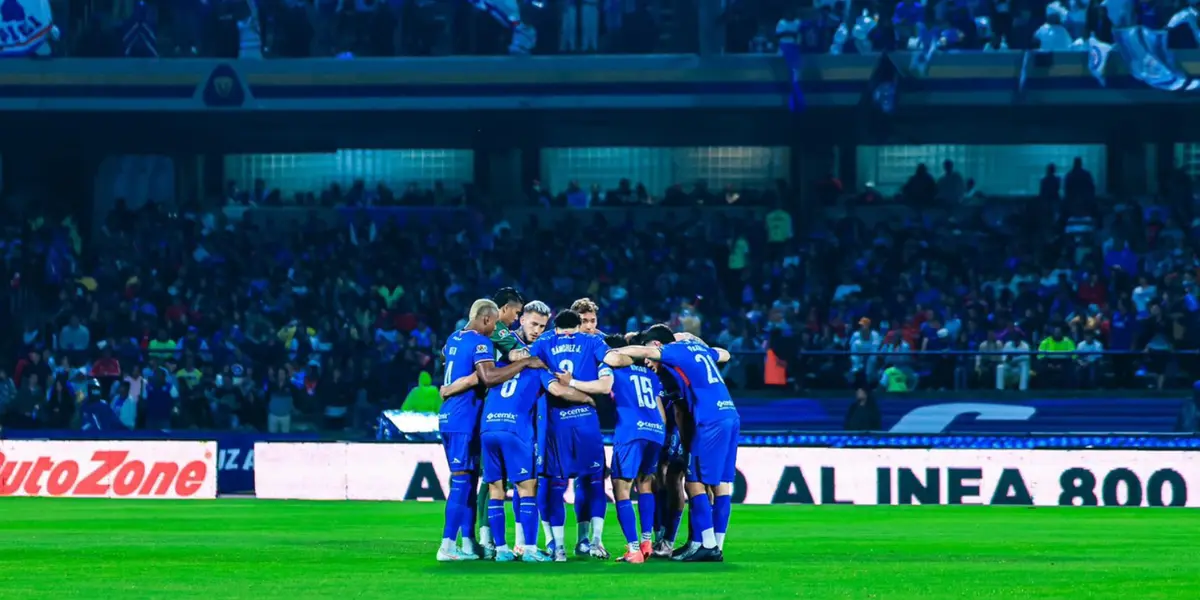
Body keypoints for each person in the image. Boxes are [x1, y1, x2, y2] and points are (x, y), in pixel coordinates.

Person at [436, 298, 545, 562]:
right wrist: (523, 363)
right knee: (462, 482)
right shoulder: (481, 342)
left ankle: (469, 543)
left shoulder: (453, 338)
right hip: (465, 417)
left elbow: (450, 361)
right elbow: (488, 377)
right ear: (486, 319)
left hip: (448, 416)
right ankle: (447, 546)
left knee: (469, 480)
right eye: (494, 323)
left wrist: (452, 386)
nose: (495, 329)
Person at [616, 324, 734, 562]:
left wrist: (613, 353)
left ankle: (707, 545)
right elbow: (725, 354)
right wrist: (696, 341)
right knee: (719, 484)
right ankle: (709, 545)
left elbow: (679, 410)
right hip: (730, 414)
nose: (647, 360)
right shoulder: (696, 351)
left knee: (693, 482)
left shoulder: (673, 355)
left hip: (707, 420)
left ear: (658, 345)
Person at [469, 345, 594, 562]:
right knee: (527, 488)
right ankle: (529, 549)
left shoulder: (500, 367)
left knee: (496, 490)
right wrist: (589, 399)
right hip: (515, 430)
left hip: (488, 429)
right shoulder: (537, 370)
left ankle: (501, 550)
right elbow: (559, 391)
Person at [529, 309, 626, 560]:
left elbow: (527, 360)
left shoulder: (544, 342)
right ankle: (594, 542)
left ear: (556, 327)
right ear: (578, 325)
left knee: (555, 485)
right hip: (586, 422)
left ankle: (558, 547)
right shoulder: (593, 342)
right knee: (595, 482)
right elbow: (613, 363)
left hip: (556, 424)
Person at [565, 334, 666, 563]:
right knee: (645, 483)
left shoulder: (610, 368)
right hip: (656, 431)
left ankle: (633, 549)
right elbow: (660, 410)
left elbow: (604, 389)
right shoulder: (649, 373)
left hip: (631, 432)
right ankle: (647, 541)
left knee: (622, 488)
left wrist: (571, 382)